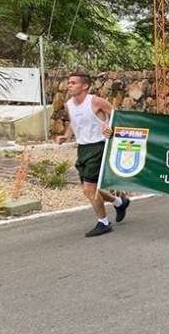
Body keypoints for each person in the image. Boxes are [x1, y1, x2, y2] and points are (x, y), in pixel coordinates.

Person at [57, 72, 131, 237]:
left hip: (98, 147)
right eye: (68, 82)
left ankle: (103, 223)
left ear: (84, 86)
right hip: (82, 148)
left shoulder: (96, 101)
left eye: (73, 83)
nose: (69, 85)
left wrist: (107, 124)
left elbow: (117, 117)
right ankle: (119, 202)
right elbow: (72, 122)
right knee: (90, 189)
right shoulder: (69, 104)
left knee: (89, 189)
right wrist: (67, 135)